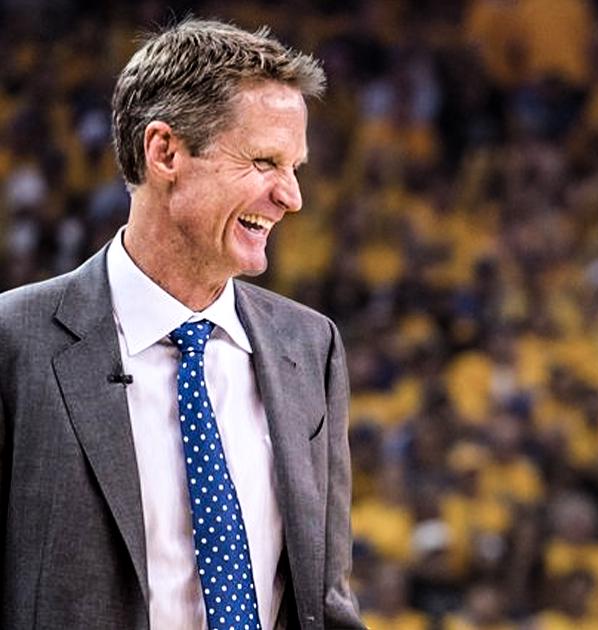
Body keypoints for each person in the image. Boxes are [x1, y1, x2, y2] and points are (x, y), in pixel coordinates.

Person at [0, 19, 364, 629]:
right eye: (265, 161)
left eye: (295, 166)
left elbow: (326, 603)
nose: (291, 196)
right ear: (165, 152)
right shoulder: (14, 342)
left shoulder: (310, 346)